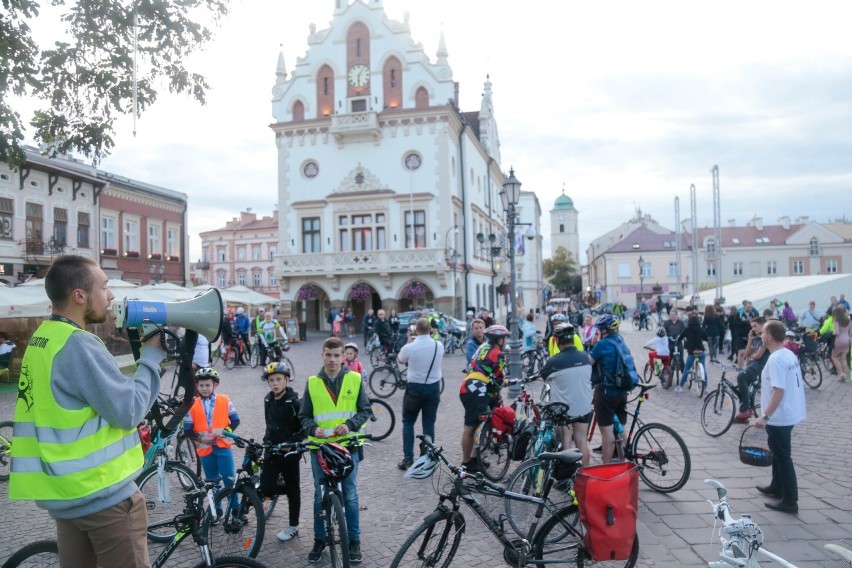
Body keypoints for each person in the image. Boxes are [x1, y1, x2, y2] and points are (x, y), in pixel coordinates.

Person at [9, 254, 165, 567]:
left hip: (67, 496)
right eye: (104, 287)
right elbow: (129, 411)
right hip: (104, 496)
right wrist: (151, 356)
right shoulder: (78, 344)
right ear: (79, 295)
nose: (110, 296)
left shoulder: (43, 338)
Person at [299, 337, 372, 564]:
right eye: (328, 355)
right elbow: (303, 416)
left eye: (337, 355)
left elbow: (365, 410)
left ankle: (354, 540)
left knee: (350, 495)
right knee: (319, 496)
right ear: (322, 355)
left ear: (343, 357)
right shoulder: (312, 382)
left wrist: (350, 425)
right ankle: (320, 539)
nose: (332, 360)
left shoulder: (355, 379)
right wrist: (313, 428)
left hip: (348, 446)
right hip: (320, 448)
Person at [753, 320, 807, 515]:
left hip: (780, 416)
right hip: (788, 413)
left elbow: (778, 390)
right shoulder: (787, 354)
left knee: (783, 456)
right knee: (777, 451)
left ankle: (790, 500)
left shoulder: (776, 359)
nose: (760, 335)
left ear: (769, 336)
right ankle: (777, 486)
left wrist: (765, 415)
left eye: (763, 333)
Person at [259, 362, 305, 541]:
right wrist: (266, 442)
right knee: (266, 488)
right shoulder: (267, 399)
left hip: (290, 453)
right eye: (272, 380)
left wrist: (291, 443)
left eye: (279, 379)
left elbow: (303, 429)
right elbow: (268, 422)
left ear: (287, 380)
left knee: (294, 490)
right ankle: (282, 485)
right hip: (272, 450)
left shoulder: (294, 402)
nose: (275, 383)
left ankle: (293, 526)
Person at [540, 323, 593, 466]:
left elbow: (544, 376)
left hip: (564, 411)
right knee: (582, 441)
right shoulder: (586, 357)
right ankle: (584, 475)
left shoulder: (553, 361)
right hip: (584, 407)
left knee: (566, 442)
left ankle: (565, 478)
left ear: (557, 341)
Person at [589, 314, 639, 464]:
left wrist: (592, 345)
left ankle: (607, 466)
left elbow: (589, 362)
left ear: (603, 331)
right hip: (622, 391)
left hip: (606, 393)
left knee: (607, 432)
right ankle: (623, 461)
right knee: (621, 427)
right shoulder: (620, 340)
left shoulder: (601, 345)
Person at [459, 325, 509, 472]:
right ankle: (466, 463)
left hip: (468, 387)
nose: (505, 341)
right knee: (470, 427)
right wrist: (503, 382)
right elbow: (499, 378)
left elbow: (473, 367)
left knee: (477, 425)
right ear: (499, 339)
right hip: (476, 391)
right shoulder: (498, 353)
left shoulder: (482, 347)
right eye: (504, 338)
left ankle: (475, 459)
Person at [396, 318, 444, 470]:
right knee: (429, 423)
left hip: (415, 388)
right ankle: (428, 456)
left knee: (408, 422)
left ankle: (408, 458)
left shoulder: (410, 347)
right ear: (430, 330)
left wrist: (409, 341)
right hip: (433, 387)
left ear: (416, 330)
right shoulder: (439, 345)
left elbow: (400, 360)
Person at [185, 368, 240, 496]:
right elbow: (187, 430)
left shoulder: (224, 400)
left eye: (208, 385)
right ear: (197, 386)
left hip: (223, 446)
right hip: (205, 449)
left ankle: (236, 510)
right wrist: (201, 439)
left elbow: (235, 420)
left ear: (215, 384)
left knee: (229, 479)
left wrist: (226, 431)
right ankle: (216, 510)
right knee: (212, 481)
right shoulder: (192, 405)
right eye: (201, 385)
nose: (204, 388)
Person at [734, 317, 770, 422]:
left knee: (741, 377)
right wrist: (750, 339)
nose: (753, 329)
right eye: (752, 327)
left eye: (755, 326)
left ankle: (747, 409)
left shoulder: (766, 337)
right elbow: (747, 354)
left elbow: (758, 356)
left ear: (762, 325)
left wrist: (752, 356)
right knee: (742, 387)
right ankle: (744, 413)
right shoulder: (757, 338)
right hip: (754, 364)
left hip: (761, 365)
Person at [676, 315, 709, 392]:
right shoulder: (701, 329)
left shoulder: (687, 329)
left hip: (692, 352)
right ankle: (706, 387)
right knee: (703, 369)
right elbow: (706, 338)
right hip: (701, 351)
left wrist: (679, 340)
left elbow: (680, 337)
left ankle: (680, 386)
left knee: (686, 369)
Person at [829, 306, 851, 382]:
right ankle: (844, 375)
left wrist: (832, 333)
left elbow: (837, 332)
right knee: (843, 358)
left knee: (834, 357)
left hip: (839, 341)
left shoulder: (836, 321)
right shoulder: (849, 320)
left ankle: (840, 374)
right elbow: (850, 333)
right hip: (847, 340)